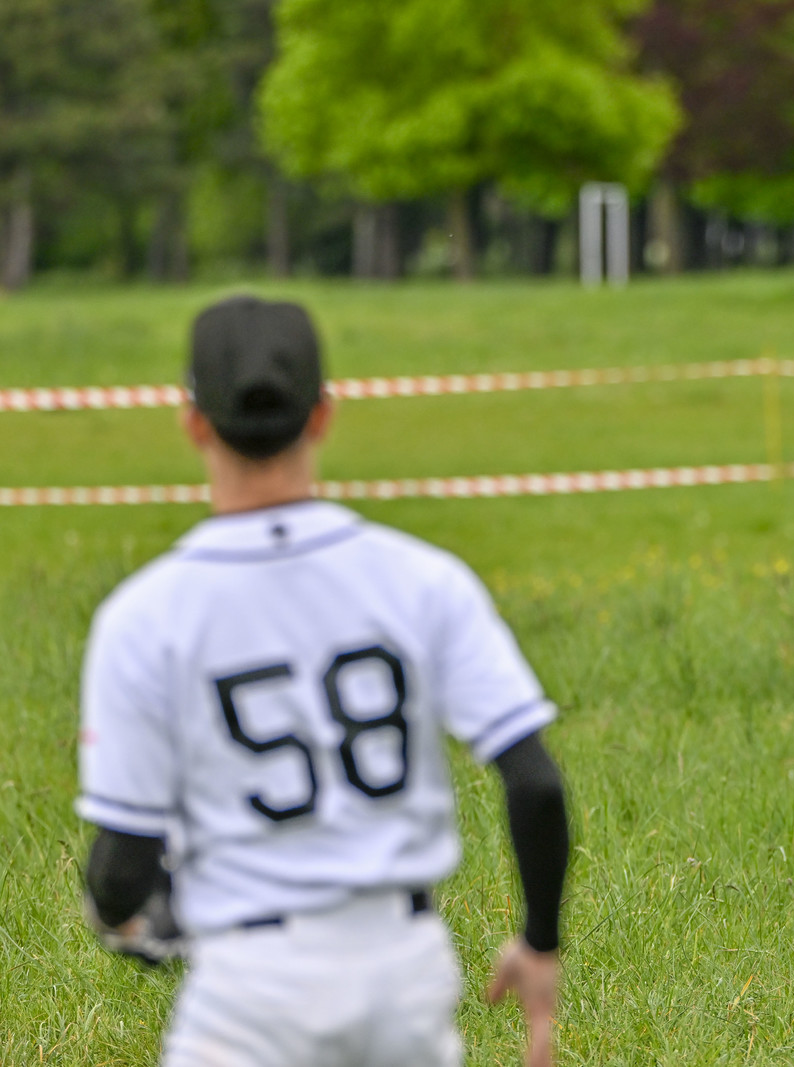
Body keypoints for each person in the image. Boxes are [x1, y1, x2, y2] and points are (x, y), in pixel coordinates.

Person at [76, 295, 569, 1066]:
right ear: (324, 414)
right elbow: (535, 782)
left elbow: (125, 854)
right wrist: (540, 939)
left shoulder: (145, 615)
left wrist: (118, 913)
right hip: (402, 967)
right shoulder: (422, 578)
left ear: (193, 421)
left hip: (252, 980)